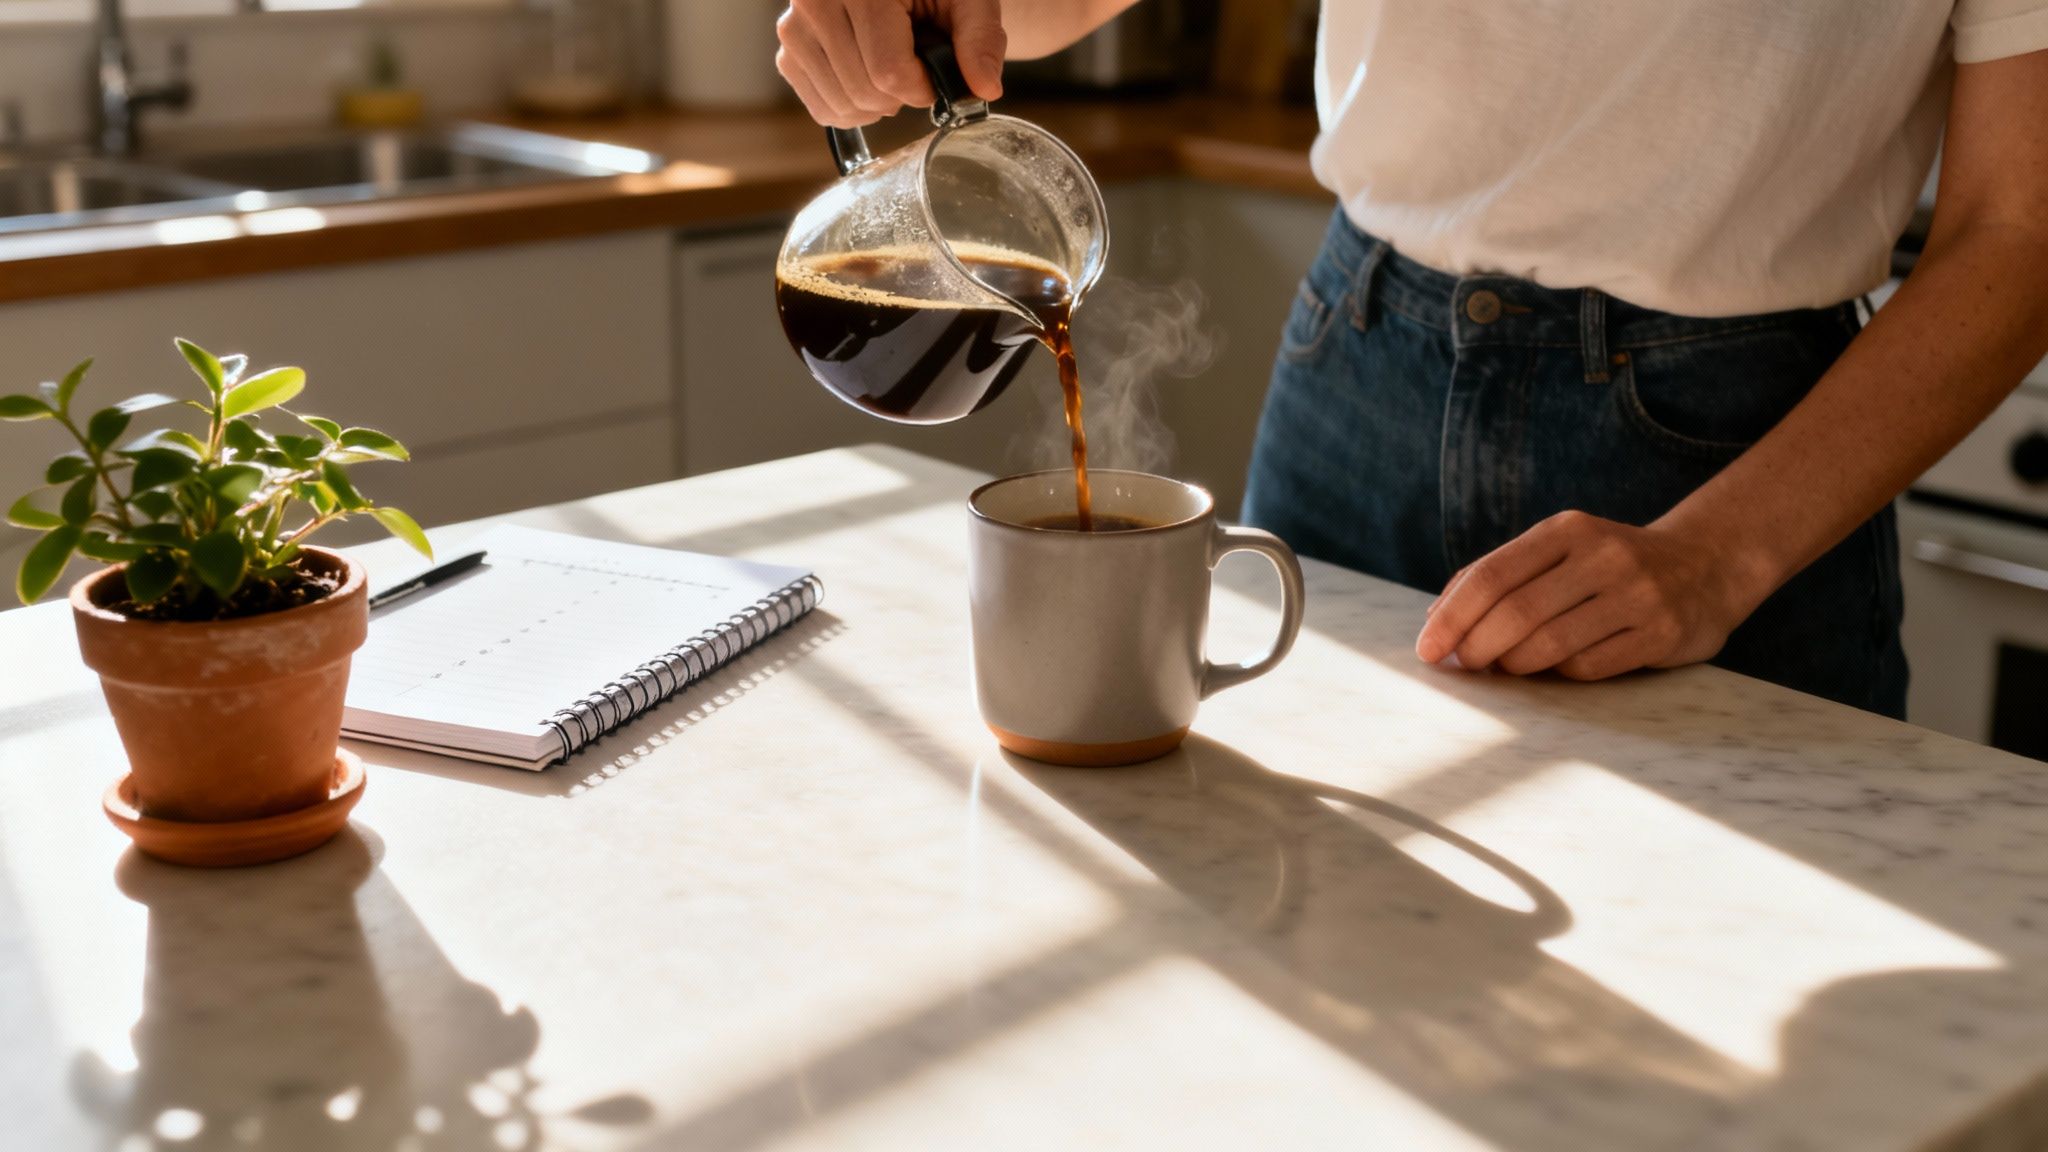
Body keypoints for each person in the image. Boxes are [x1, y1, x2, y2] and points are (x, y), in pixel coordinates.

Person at [774, 0, 2048, 716]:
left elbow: (2020, 233)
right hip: (1360, 362)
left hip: (1734, 458)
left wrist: (1719, 556)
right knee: (1279, 931)